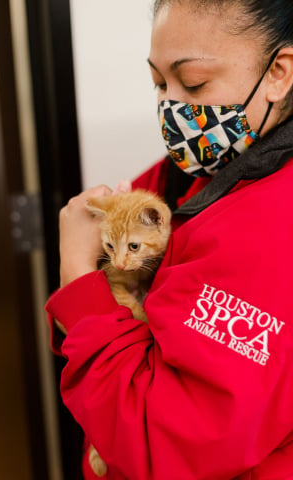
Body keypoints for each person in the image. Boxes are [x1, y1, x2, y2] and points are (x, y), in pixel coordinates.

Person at [45, 0, 293, 478]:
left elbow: (162, 443)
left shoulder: (273, 227)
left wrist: (78, 276)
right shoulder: (199, 172)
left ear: (280, 72)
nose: (172, 106)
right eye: (159, 83)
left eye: (194, 82)